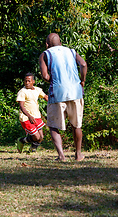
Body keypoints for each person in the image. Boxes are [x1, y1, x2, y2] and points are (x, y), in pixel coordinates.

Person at [39, 33, 87, 161]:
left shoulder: (45, 54)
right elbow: (83, 64)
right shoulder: (71, 51)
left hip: (57, 92)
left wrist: (53, 80)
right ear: (60, 42)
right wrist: (82, 80)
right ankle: (78, 154)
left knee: (53, 125)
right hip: (75, 91)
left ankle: (61, 156)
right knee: (76, 125)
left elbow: (44, 75)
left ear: (47, 44)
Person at [16, 73, 48, 153]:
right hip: (26, 117)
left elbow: (45, 97)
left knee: (41, 137)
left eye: (29, 81)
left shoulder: (37, 90)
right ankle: (22, 140)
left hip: (36, 116)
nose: (27, 83)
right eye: (25, 81)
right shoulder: (22, 92)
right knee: (36, 137)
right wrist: (29, 116)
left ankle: (32, 150)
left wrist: (55, 102)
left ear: (33, 82)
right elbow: (21, 106)